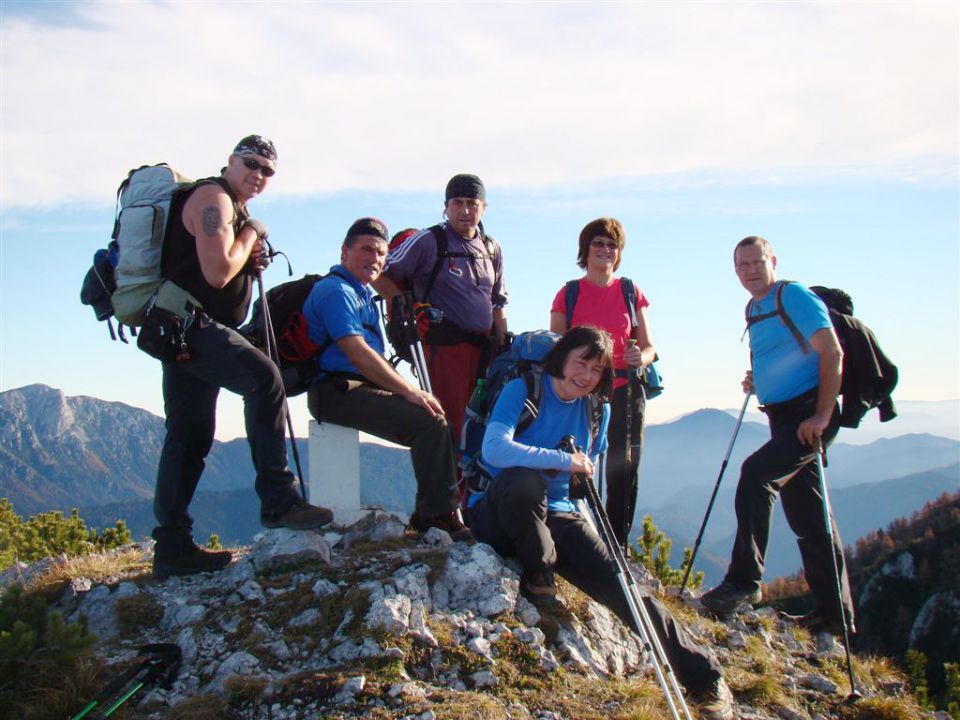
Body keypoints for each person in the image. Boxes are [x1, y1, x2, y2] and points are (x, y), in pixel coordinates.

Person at [467, 327, 733, 719]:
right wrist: (562, 460)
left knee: (621, 586)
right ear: (561, 357)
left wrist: (592, 537)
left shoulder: (596, 409)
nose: (587, 375)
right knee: (523, 481)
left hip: (558, 514)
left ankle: (704, 677)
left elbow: (583, 482)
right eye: (581, 362)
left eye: (596, 368)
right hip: (497, 510)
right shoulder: (524, 388)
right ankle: (540, 571)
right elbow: (495, 448)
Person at [150, 135, 334, 580]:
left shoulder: (230, 206)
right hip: (189, 324)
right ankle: (279, 500)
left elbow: (216, 268)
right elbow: (216, 273)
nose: (258, 175)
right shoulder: (213, 198)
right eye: (251, 164)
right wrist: (253, 232)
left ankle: (172, 546)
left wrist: (248, 252)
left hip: (180, 328)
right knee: (264, 378)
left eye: (267, 171)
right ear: (230, 161)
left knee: (190, 434)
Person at [700, 236, 854, 635]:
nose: (749, 270)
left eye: (756, 262)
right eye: (742, 266)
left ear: (772, 260)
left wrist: (821, 416)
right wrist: (760, 379)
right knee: (809, 515)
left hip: (808, 414)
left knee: (756, 475)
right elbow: (785, 352)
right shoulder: (754, 307)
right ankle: (833, 616)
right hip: (783, 415)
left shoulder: (793, 296)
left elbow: (832, 352)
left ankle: (743, 584)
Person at [303, 218, 471, 541]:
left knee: (434, 415)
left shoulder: (362, 294)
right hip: (335, 390)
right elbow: (358, 353)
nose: (375, 258)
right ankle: (435, 516)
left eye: (381, 253)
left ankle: (430, 513)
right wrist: (410, 391)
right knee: (429, 421)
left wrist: (412, 391)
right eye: (366, 249)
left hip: (353, 387)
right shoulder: (336, 291)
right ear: (345, 252)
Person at [372, 174, 508, 447]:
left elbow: (497, 302)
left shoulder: (491, 248)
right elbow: (377, 273)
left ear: (484, 207)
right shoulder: (429, 241)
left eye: (472, 203)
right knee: (448, 423)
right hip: (442, 349)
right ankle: (448, 486)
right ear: (446, 207)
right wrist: (408, 307)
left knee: (480, 425)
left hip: (483, 353)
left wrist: (502, 345)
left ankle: (470, 488)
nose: (465, 211)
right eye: (457, 203)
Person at [549, 218, 655, 547]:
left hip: (625, 389)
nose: (605, 250)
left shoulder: (630, 291)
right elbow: (555, 346)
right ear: (586, 249)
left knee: (624, 470)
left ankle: (616, 544)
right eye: (598, 243)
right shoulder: (569, 293)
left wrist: (643, 358)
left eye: (612, 245)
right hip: (582, 392)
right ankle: (574, 534)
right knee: (578, 461)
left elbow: (650, 346)